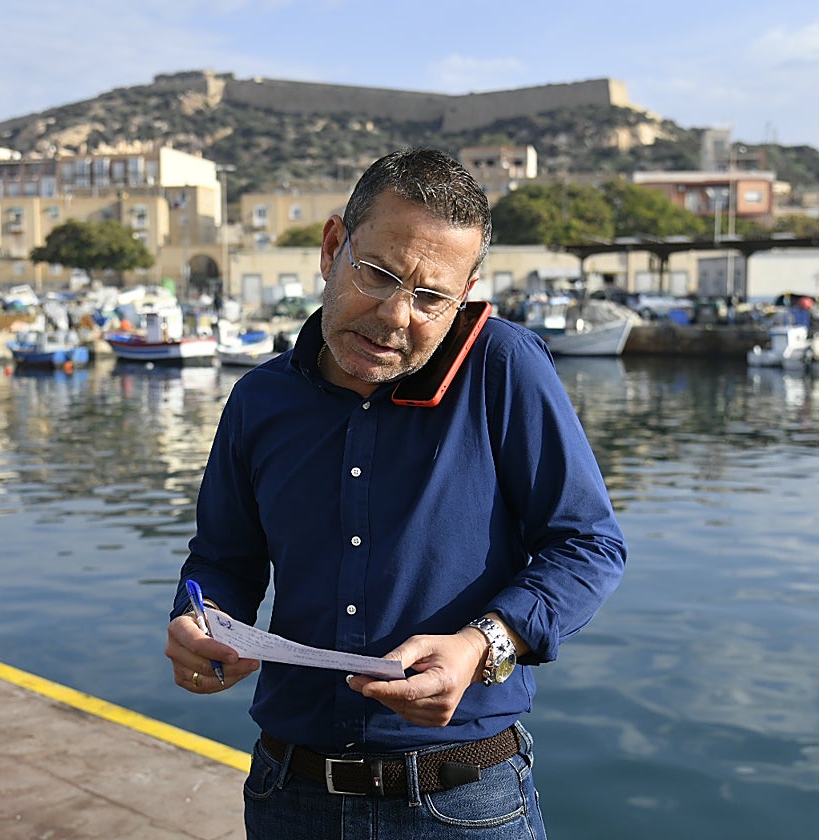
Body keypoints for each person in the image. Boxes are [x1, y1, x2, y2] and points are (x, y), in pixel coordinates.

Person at [166, 147, 626, 839]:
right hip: (287, 795)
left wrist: (481, 644)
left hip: (465, 805)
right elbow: (223, 560)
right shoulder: (259, 399)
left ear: (465, 294)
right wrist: (200, 622)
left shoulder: (504, 367)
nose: (396, 315)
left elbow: (588, 546)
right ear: (331, 247)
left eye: (432, 297)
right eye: (378, 275)